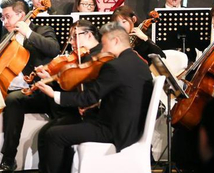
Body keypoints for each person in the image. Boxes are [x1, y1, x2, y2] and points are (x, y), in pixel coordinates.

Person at [35, 22, 153, 173]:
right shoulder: (140, 63)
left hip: (114, 130)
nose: (102, 50)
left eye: (104, 45)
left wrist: (54, 94)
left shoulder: (115, 66)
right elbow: (124, 95)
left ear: (116, 41)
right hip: (132, 128)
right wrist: (96, 106)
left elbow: (88, 98)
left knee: (54, 135)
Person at [0, 0, 60, 172]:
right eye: (2, 17)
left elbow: (53, 49)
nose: (4, 22)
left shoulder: (42, 29)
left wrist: (28, 33)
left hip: (36, 90)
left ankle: (8, 159)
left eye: (7, 16)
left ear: (21, 15)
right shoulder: (7, 36)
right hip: (10, 87)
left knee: (13, 99)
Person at [34, 20, 102, 173]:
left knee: (51, 134)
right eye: (71, 38)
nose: (71, 42)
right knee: (45, 133)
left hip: (93, 115)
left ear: (89, 35)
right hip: (79, 109)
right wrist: (52, 79)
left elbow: (92, 92)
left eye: (75, 37)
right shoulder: (84, 57)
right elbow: (73, 87)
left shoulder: (98, 58)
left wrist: (55, 90)